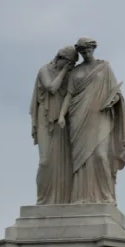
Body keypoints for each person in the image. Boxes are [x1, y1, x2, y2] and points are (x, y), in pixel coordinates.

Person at [58, 37, 125, 204]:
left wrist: (113, 100)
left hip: (101, 115)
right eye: (83, 52)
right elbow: (69, 95)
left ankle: (106, 196)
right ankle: (81, 197)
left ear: (93, 49)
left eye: (88, 50)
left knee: (100, 155)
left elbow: (115, 92)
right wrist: (62, 115)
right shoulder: (75, 72)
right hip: (78, 115)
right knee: (80, 159)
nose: (86, 54)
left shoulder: (104, 68)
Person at [31, 46, 78, 204]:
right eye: (68, 62)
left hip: (61, 120)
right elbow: (51, 88)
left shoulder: (70, 75)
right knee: (45, 161)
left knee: (61, 163)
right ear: (60, 57)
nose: (69, 65)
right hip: (45, 118)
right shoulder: (44, 70)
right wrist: (64, 71)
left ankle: (60, 200)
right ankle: (42, 199)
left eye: (72, 63)